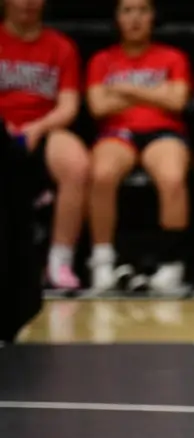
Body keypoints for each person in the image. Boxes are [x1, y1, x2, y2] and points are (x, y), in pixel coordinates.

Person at [86, 0, 192, 293]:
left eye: (143, 10)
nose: (135, 18)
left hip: (163, 132)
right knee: (102, 174)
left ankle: (171, 265)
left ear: (153, 16)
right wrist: (156, 93)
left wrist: (125, 89)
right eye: (127, 10)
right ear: (117, 17)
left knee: (172, 177)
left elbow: (177, 101)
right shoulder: (102, 60)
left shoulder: (173, 57)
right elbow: (98, 106)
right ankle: (102, 262)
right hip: (117, 133)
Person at [0, 0, 91, 290]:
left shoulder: (61, 47)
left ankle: (60, 260)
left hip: (44, 127)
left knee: (77, 163)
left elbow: (69, 105)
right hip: (3, 126)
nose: (28, 3)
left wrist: (37, 128)